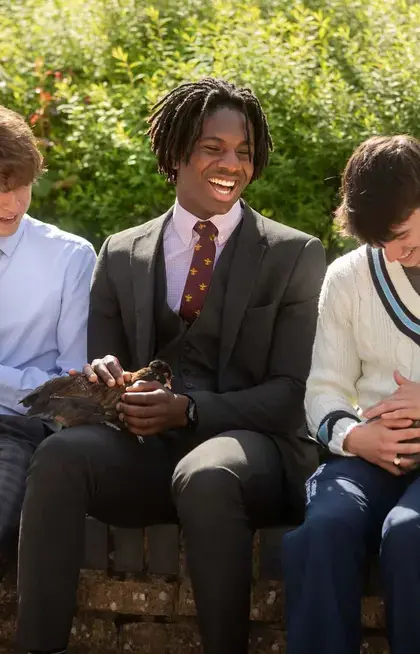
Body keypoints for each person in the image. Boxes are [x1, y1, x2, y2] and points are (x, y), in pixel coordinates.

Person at [16, 77, 325, 654]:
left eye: (244, 152)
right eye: (213, 147)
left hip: (250, 453)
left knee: (207, 474)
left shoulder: (294, 254)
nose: (231, 163)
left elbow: (290, 393)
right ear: (178, 150)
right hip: (146, 459)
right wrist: (106, 378)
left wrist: (187, 409)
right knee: (59, 456)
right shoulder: (121, 251)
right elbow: (108, 367)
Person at [283, 135, 420, 654]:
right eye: (381, 241)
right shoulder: (347, 277)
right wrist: (357, 437)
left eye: (404, 234)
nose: (395, 252)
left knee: (410, 535)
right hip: (367, 456)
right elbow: (324, 389)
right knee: (322, 532)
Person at [0, 105, 96, 565]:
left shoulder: (70, 258)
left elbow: (68, 385)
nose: (11, 203)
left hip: (18, 431)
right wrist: (19, 380)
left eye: (21, 186)